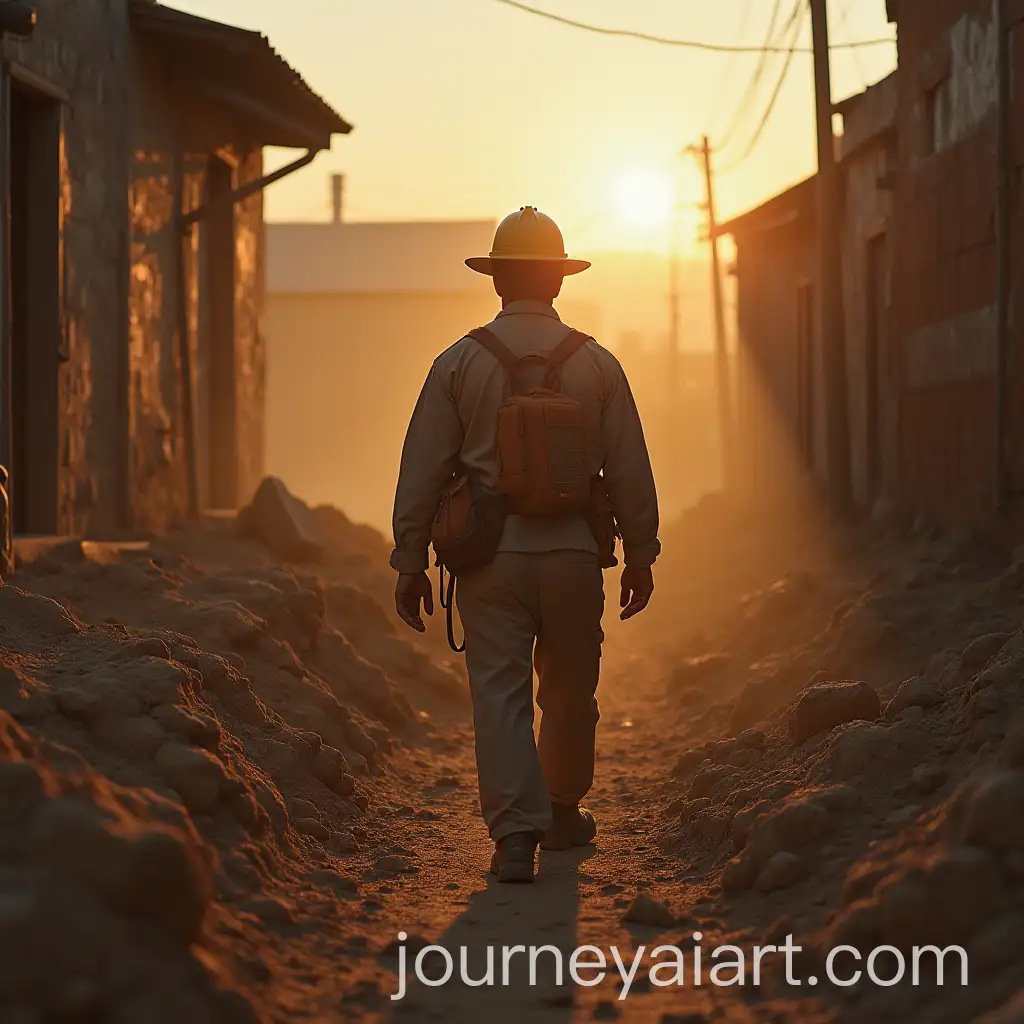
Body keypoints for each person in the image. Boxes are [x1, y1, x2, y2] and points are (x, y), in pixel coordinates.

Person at [390, 207, 660, 883]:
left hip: (490, 560)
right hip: (573, 557)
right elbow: (629, 467)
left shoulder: (457, 363)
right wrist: (642, 554)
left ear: (497, 282)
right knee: (570, 691)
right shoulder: (598, 364)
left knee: (500, 694)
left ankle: (516, 837)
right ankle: (564, 811)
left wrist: (409, 561)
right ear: (559, 283)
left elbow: (422, 466)